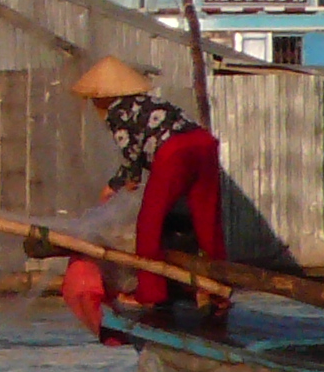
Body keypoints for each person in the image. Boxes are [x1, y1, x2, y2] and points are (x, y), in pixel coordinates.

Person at [71, 57, 226, 310]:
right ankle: (218, 291)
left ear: (102, 97)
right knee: (208, 224)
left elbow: (132, 154)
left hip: (174, 152)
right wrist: (131, 177)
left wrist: (115, 185)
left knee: (148, 225)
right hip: (203, 145)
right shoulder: (151, 102)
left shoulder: (116, 112)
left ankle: (150, 293)